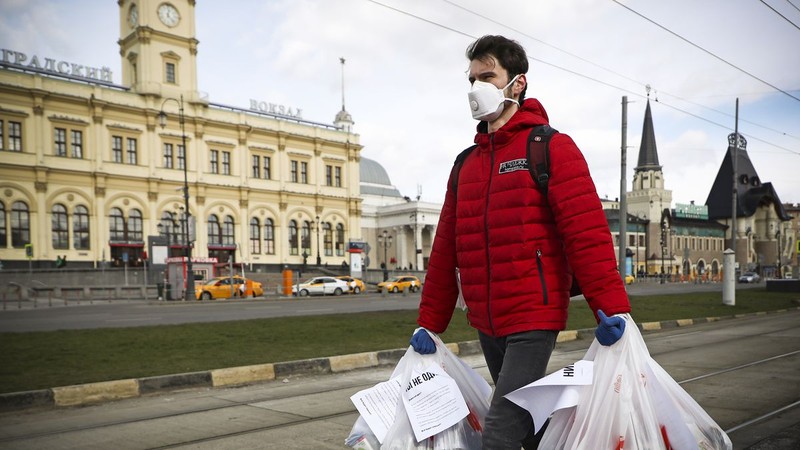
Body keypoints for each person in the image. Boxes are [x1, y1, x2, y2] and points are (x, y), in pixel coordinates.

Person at [410, 35, 631, 449]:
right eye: (472, 78)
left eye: (488, 76)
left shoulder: (550, 147)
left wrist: (613, 308)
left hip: (534, 314)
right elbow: (445, 250)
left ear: (518, 84)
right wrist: (430, 322)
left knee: (499, 433)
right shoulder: (466, 164)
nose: (477, 87)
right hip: (486, 319)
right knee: (527, 424)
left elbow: (586, 234)